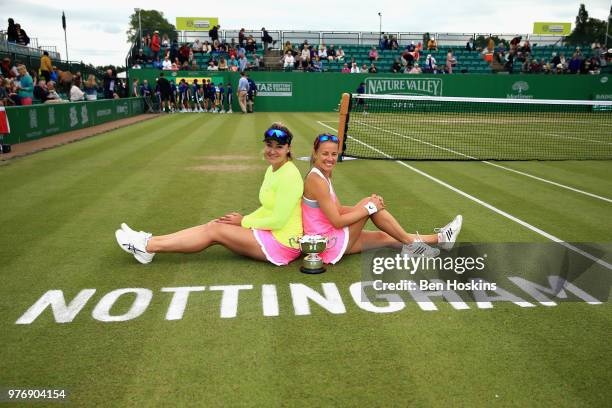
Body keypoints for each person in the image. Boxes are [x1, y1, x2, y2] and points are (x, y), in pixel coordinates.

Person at [115, 124, 304, 266]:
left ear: (288, 148)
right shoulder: (273, 170)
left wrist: (244, 222)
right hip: (272, 234)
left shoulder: (290, 175)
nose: (272, 151)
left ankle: (148, 247)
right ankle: (149, 242)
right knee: (215, 225)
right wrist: (244, 220)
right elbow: (267, 208)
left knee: (215, 231)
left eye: (279, 146)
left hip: (283, 245)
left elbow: (278, 220)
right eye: (269, 145)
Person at [301, 134, 463, 265]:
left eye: (334, 154)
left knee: (384, 237)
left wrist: (369, 207)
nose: (330, 158)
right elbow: (337, 221)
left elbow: (339, 210)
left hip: (332, 237)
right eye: (325, 153)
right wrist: (369, 209)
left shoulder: (323, 175)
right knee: (369, 204)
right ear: (315, 153)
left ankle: (441, 238)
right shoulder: (316, 180)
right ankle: (411, 243)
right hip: (328, 243)